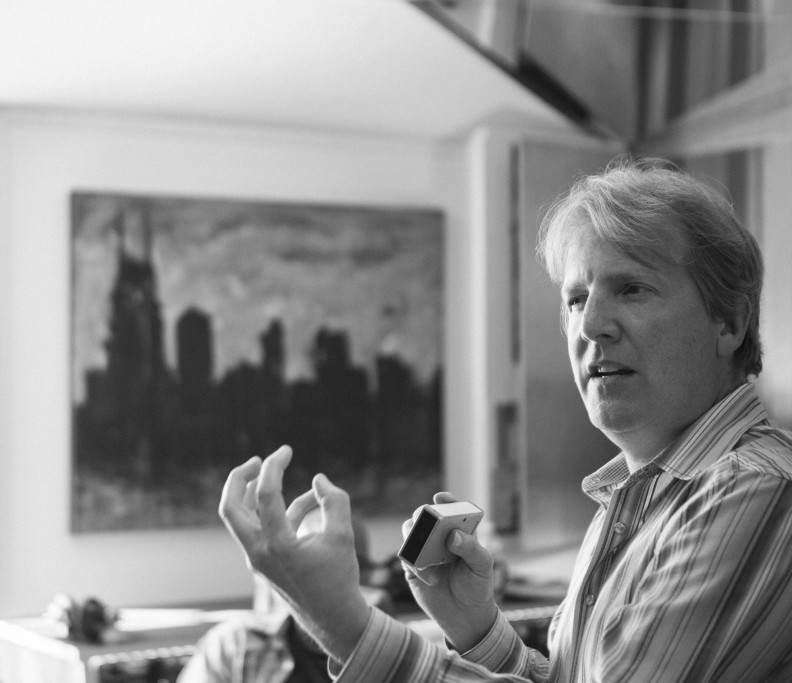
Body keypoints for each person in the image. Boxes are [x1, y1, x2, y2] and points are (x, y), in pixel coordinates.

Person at [217, 156, 792, 682]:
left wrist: (342, 623)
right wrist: (478, 630)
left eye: (632, 289)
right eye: (575, 299)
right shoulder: (639, 496)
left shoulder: (750, 487)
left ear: (729, 323)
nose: (590, 325)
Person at [177, 516, 393, 683]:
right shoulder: (234, 645)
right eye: (312, 566)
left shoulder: (383, 645)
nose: (330, 582)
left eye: (351, 566)